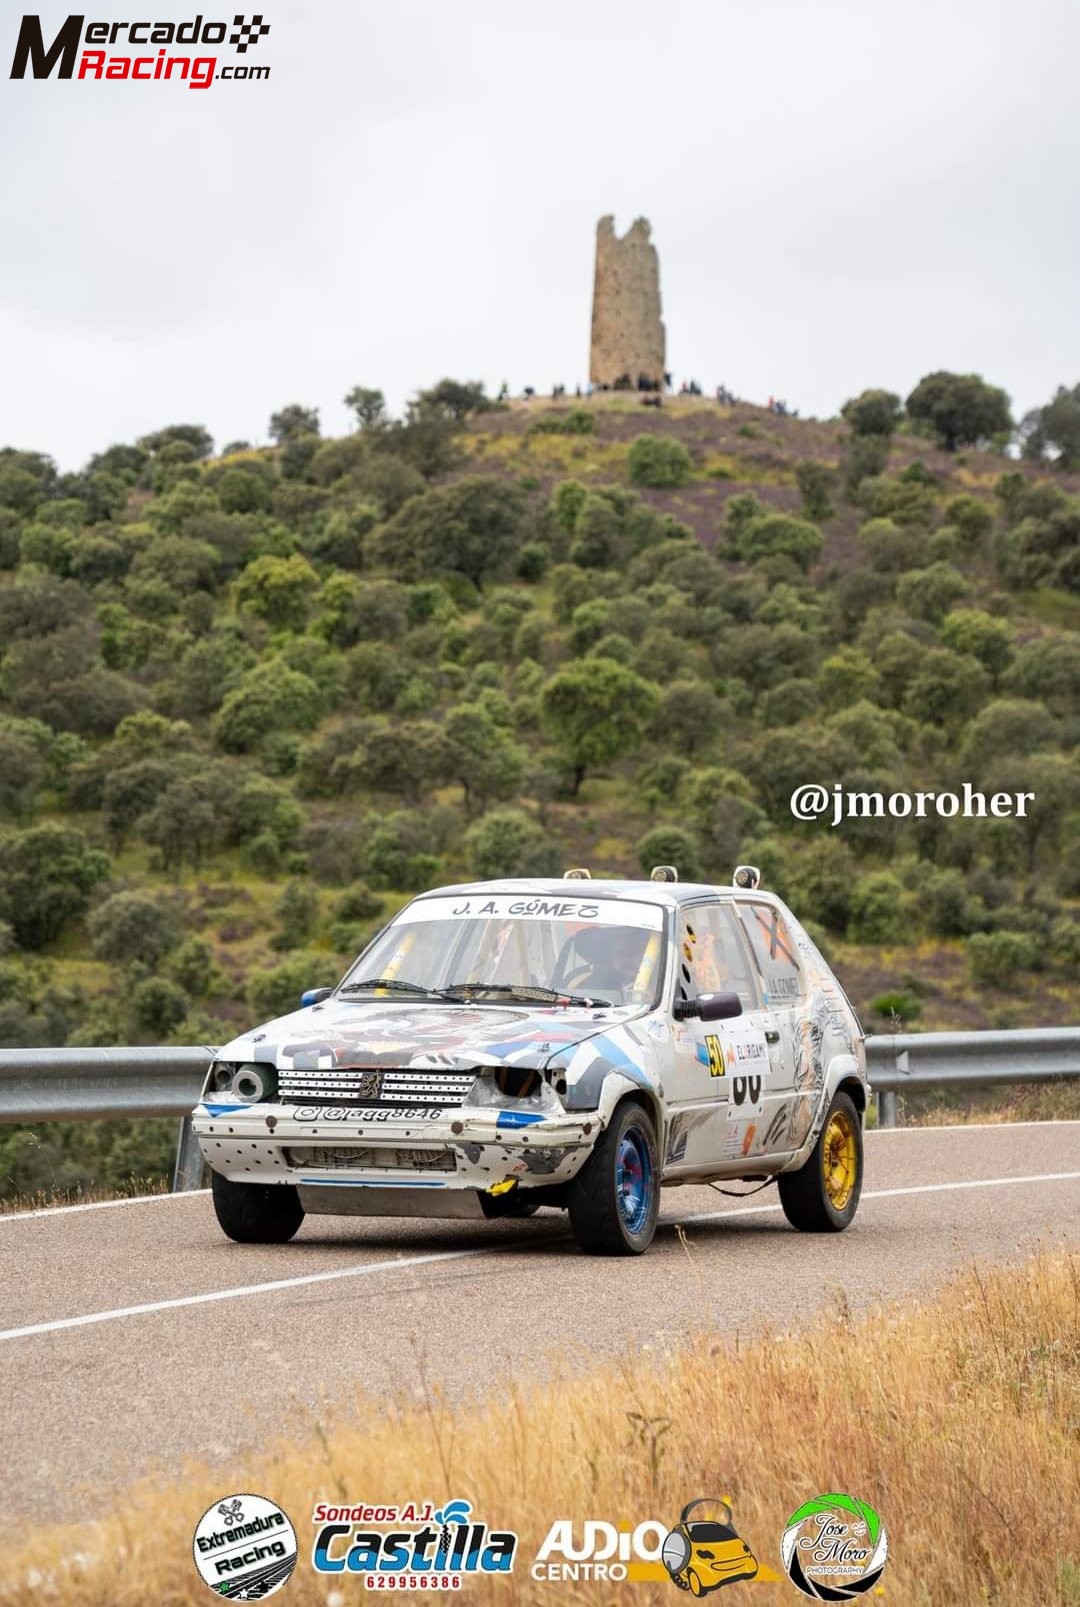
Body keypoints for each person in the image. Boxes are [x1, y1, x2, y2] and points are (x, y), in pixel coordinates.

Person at [567, 926, 650, 1002]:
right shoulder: (592, 988)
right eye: (620, 955)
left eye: (633, 953)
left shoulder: (660, 988)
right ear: (611, 960)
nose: (626, 959)